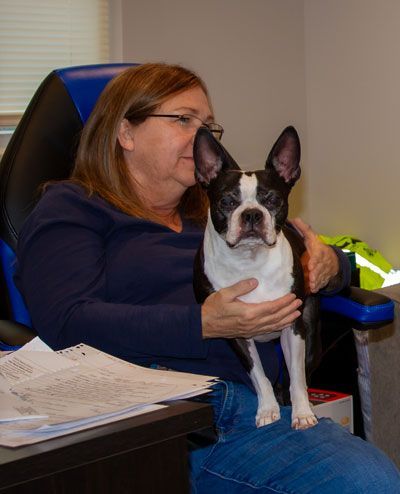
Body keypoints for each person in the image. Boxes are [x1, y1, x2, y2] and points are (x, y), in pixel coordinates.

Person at [15, 63, 400, 493]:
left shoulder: (219, 212)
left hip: (257, 407)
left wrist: (330, 267)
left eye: (209, 126)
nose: (202, 137)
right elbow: (67, 323)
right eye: (183, 119)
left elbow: (320, 258)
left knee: (375, 478)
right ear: (126, 133)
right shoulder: (73, 208)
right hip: (156, 419)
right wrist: (202, 324)